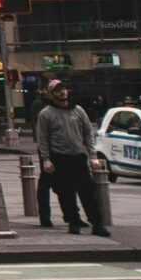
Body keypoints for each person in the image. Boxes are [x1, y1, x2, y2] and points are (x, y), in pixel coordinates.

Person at [34, 79, 106, 236]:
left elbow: (88, 133)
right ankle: (73, 222)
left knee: (87, 192)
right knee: (66, 193)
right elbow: (43, 139)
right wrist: (46, 159)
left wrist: (92, 156)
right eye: (57, 90)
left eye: (63, 89)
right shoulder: (46, 114)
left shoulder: (78, 111)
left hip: (79, 157)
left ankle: (97, 223)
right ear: (52, 94)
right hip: (59, 158)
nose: (62, 92)